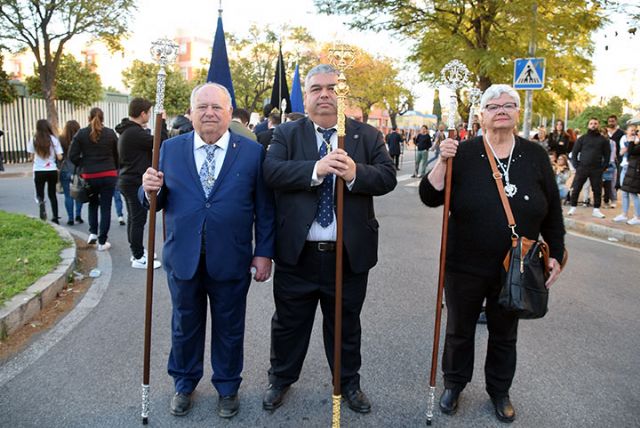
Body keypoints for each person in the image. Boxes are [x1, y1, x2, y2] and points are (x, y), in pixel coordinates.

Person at [419, 84, 565, 423]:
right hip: (464, 263)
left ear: (517, 113)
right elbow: (429, 196)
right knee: (459, 329)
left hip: (516, 266)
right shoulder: (463, 152)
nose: (501, 110)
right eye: (493, 105)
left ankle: (499, 390)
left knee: (504, 333)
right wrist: (442, 160)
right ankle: (454, 384)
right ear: (481, 115)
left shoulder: (535, 155)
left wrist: (556, 253)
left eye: (509, 105)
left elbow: (553, 211)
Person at [262, 64, 397, 414]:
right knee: (289, 324)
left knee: (345, 325)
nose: (324, 94)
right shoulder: (287, 135)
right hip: (298, 253)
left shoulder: (366, 136)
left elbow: (386, 177)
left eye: (332, 88)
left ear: (342, 94)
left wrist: (355, 173)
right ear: (305, 97)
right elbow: (271, 171)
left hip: (348, 254)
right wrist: (316, 169)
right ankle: (280, 378)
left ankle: (348, 383)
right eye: (316, 88)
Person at [141, 82, 275, 419]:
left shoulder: (252, 153)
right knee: (184, 325)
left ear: (230, 113)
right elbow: (156, 201)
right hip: (183, 256)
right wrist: (147, 190)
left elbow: (264, 208)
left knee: (230, 327)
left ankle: (228, 387)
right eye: (202, 107)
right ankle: (184, 383)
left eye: (217, 107)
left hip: (231, 256)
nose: (210, 113)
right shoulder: (169, 150)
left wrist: (263, 254)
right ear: (191, 113)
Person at [116, 97, 168, 269]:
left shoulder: (128, 131)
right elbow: (161, 142)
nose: (150, 116)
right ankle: (138, 256)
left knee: (134, 218)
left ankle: (137, 251)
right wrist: (164, 123)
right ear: (143, 113)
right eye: (149, 112)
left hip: (127, 179)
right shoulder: (135, 133)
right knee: (138, 220)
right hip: (133, 181)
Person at [69, 107, 119, 250]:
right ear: (103, 119)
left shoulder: (81, 134)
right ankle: (102, 242)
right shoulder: (110, 133)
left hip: (90, 175)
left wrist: (84, 165)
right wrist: (114, 167)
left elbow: (72, 156)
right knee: (106, 208)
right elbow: (117, 154)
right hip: (109, 174)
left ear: (88, 118)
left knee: (92, 204)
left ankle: (92, 233)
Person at [567, 118, 611, 218]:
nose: (593, 125)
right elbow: (574, 153)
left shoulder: (603, 140)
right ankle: (573, 207)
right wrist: (576, 165)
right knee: (577, 188)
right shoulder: (582, 138)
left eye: (595, 123)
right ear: (588, 125)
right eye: (591, 123)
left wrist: (603, 167)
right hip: (582, 167)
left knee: (597, 190)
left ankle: (596, 209)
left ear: (598, 125)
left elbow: (607, 155)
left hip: (596, 169)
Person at [27, 119, 63, 223]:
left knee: (40, 193)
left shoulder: (34, 139)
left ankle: (42, 211)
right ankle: (55, 217)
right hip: (51, 170)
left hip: (38, 170)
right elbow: (60, 156)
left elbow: (31, 157)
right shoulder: (53, 140)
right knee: (52, 194)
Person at [58, 120, 84, 225]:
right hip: (78, 169)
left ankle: (70, 218)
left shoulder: (61, 140)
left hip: (65, 168)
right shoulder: (80, 138)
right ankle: (78, 215)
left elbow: (58, 156)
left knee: (68, 195)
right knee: (78, 193)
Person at [613, 125, 640, 224]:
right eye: (631, 130)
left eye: (635, 130)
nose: (634, 132)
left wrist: (631, 143)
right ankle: (624, 214)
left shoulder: (636, 141)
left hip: (633, 169)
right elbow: (621, 152)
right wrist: (630, 144)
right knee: (624, 191)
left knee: (633, 193)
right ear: (626, 131)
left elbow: (630, 151)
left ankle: (637, 217)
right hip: (625, 167)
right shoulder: (624, 139)